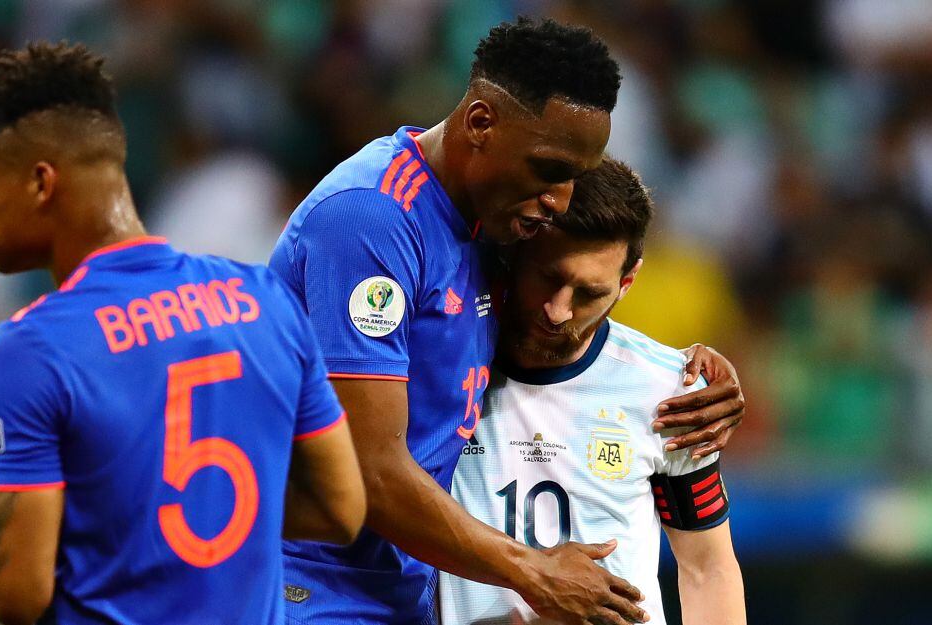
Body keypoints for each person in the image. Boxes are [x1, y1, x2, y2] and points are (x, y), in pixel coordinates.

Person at [269, 17, 745, 625]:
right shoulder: (373, 219)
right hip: (314, 588)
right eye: (548, 170)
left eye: (573, 178)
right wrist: (533, 571)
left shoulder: (488, 222)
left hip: (401, 589)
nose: (559, 200)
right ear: (480, 123)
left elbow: (556, 329)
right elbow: (369, 467)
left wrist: (688, 370)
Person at [0, 42, 365, 625]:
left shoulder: (33, 345)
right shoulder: (263, 297)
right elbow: (342, 509)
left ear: (41, 183)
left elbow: (19, 596)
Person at [440, 159, 745, 625]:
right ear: (515, 253)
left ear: (626, 283)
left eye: (588, 293)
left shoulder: (669, 389)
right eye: (549, 278)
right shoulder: (437, 368)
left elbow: (707, 568)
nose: (558, 311)